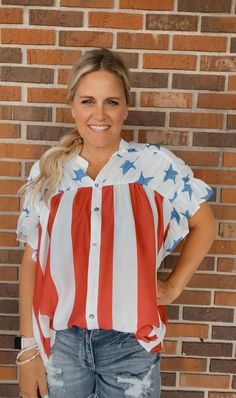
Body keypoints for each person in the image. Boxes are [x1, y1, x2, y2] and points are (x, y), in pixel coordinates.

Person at [16, 48, 215, 398]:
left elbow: (205, 224)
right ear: (72, 105)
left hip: (130, 346)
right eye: (88, 100)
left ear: (126, 107)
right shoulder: (51, 173)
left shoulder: (153, 167)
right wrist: (27, 349)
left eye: (111, 102)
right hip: (63, 344)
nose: (99, 114)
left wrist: (172, 287)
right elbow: (32, 264)